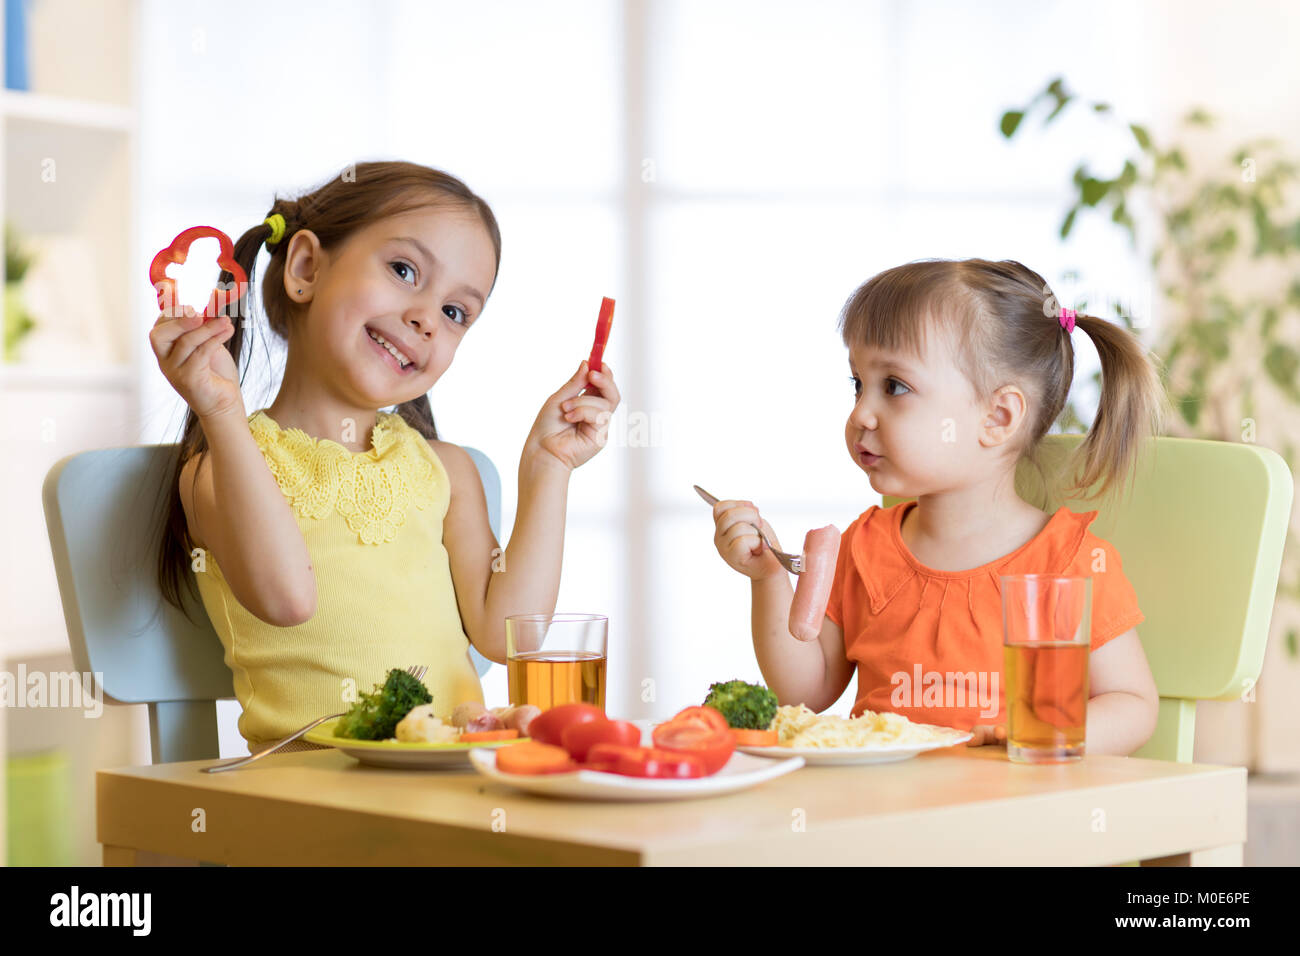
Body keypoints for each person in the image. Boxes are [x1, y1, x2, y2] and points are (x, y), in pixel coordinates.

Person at [151, 161, 620, 751]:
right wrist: (221, 413)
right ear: (305, 268)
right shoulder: (224, 466)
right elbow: (287, 600)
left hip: (449, 787)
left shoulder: (447, 471)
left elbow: (505, 638)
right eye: (404, 270)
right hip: (314, 802)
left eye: (455, 313)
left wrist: (549, 464)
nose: (426, 317)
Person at [710, 259, 1172, 756]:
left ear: (997, 417)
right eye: (858, 384)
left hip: (1007, 814)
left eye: (895, 387)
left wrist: (1039, 732)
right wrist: (768, 579)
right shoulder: (864, 548)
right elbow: (805, 690)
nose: (861, 413)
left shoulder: (1067, 564)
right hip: (880, 815)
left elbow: (1131, 703)